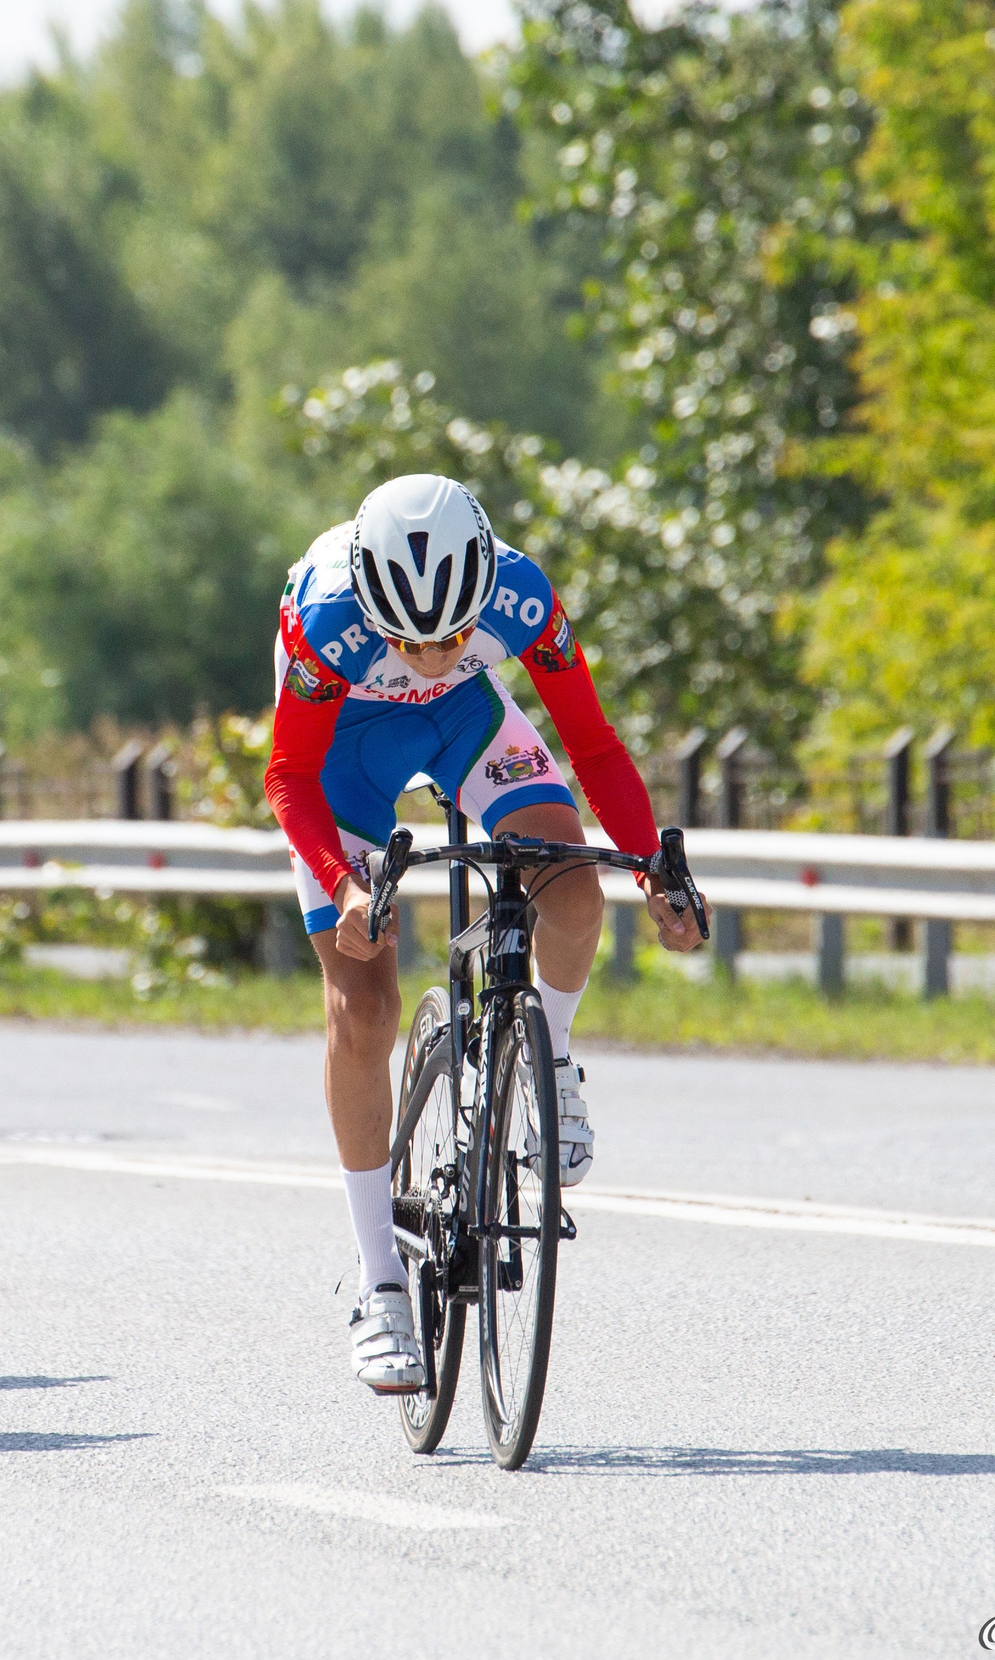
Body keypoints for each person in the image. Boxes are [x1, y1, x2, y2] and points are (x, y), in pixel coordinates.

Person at [261, 473, 708, 1396]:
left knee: (574, 890)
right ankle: (382, 1282)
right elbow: (289, 776)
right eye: (410, 640)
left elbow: (591, 742)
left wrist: (654, 865)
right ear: (375, 612)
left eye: (454, 636)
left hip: (470, 724)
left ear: (482, 600)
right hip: (342, 744)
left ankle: (548, 1063)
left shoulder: (523, 597)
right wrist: (346, 886)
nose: (429, 656)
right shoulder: (328, 620)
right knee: (363, 1003)